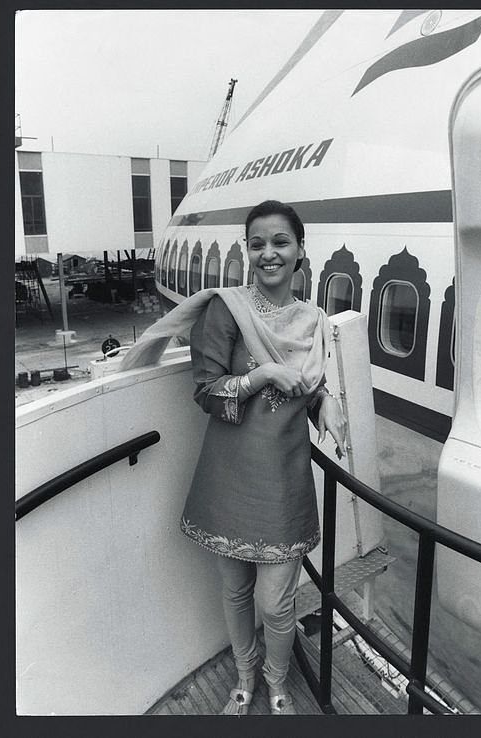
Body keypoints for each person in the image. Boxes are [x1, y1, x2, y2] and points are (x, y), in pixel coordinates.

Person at [121, 200, 347, 715]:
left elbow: (307, 386)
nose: (268, 254)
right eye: (258, 243)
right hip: (230, 477)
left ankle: (277, 683)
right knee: (237, 590)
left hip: (285, 478)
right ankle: (245, 679)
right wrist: (261, 376)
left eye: (280, 242)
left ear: (300, 251)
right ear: (248, 251)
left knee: (278, 603)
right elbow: (205, 391)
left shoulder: (313, 319)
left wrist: (325, 403)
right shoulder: (226, 308)